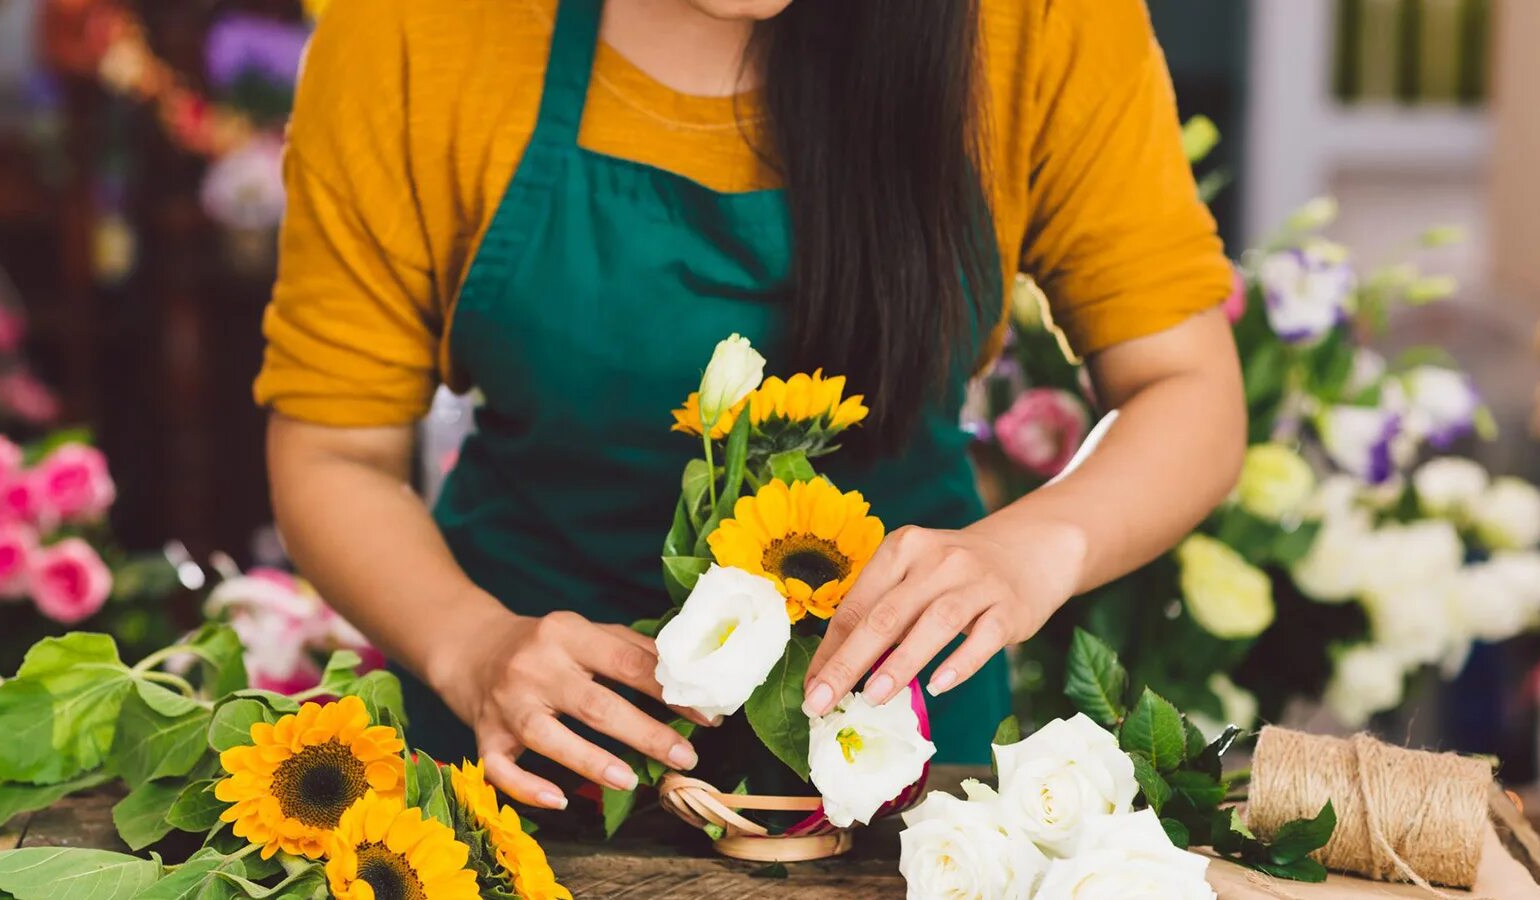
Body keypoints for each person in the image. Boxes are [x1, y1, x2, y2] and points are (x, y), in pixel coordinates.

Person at [257, 0, 1246, 812]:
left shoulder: (1038, 20)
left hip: (905, 771)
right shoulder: (411, 28)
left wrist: (1036, 548)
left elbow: (1185, 386)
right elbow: (334, 452)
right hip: (524, 760)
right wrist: (471, 646)